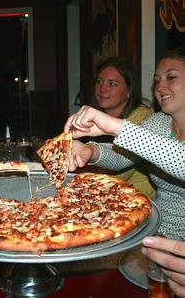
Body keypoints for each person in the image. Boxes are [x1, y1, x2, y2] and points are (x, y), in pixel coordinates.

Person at [63, 44, 185, 239]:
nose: (160, 87)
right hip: (153, 231)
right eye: (157, 80)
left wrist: (116, 126)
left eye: (171, 77)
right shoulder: (159, 122)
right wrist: (90, 150)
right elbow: (122, 158)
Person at [89, 57, 155, 198]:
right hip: (111, 198)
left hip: (138, 202)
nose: (103, 89)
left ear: (129, 91)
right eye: (99, 82)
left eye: (112, 84)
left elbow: (119, 173)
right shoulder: (98, 117)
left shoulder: (142, 116)